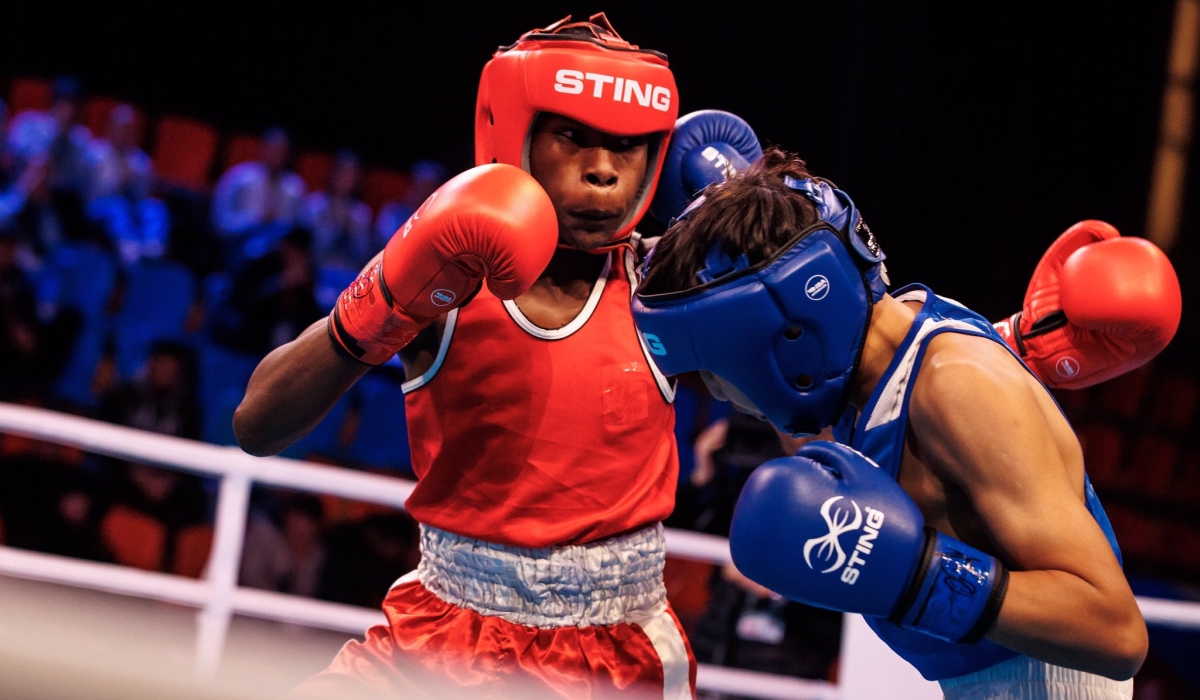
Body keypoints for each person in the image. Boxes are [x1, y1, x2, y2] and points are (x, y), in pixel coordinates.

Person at [235, 14, 700, 699]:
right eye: (573, 136)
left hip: (611, 658)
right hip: (438, 635)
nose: (603, 170)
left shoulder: (670, 287)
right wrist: (381, 303)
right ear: (516, 133)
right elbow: (257, 425)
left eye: (627, 145)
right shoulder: (447, 267)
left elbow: (803, 416)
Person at [632, 148, 1183, 698]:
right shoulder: (874, 368)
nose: (721, 394)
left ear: (789, 337)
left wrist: (921, 577)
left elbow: (1115, 631)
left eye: (718, 368)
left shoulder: (955, 386)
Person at [210, 126, 306, 266]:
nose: (275, 155)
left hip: (276, 252)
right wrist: (255, 219)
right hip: (237, 245)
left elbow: (295, 227)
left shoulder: (294, 187)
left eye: (281, 150)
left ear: (289, 155)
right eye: (272, 148)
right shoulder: (239, 178)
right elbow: (220, 222)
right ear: (263, 148)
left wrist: (278, 222)